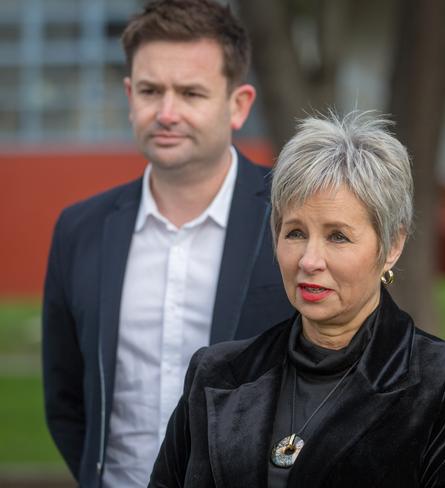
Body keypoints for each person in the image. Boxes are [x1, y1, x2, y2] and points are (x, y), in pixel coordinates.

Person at [149, 111, 445, 487]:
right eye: (295, 233)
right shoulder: (215, 373)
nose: (309, 260)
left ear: (392, 245)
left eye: (337, 236)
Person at [41, 1, 294, 486]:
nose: (167, 112)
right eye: (151, 91)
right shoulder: (80, 229)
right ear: (129, 94)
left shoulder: (295, 221)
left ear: (238, 105)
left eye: (191, 93)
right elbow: (65, 398)